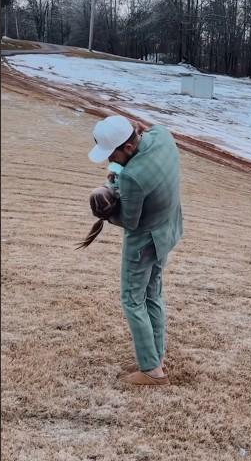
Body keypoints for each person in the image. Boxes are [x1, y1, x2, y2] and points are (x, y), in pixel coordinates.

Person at [88, 115, 183, 386]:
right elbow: (147, 140)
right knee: (153, 293)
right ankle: (157, 358)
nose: (110, 161)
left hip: (143, 243)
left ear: (128, 148)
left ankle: (151, 370)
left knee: (132, 299)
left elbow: (129, 220)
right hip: (167, 231)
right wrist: (116, 178)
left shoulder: (132, 178)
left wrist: (107, 211)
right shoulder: (163, 136)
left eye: (112, 155)